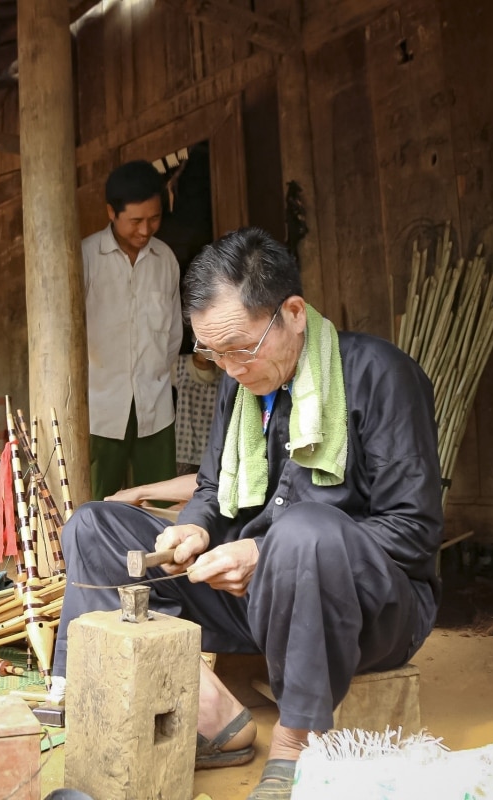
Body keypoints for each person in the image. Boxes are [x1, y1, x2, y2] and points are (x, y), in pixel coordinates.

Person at [55, 229, 443, 800]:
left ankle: (295, 744)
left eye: (241, 347)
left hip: (367, 610)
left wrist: (266, 551)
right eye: (214, 353)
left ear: (292, 312)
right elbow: (213, 487)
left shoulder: (379, 374)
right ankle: (212, 717)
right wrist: (193, 525)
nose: (231, 367)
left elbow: (412, 533)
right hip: (256, 598)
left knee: (305, 531)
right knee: (94, 525)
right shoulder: (241, 387)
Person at [82, 160, 182, 500]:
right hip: (99, 408)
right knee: (93, 502)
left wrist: (152, 376)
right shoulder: (86, 257)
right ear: (112, 212)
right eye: (135, 221)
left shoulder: (165, 259)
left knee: (162, 506)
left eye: (154, 218)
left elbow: (171, 336)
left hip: (154, 407)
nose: (145, 229)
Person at [173, 351, 221, 474]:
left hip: (213, 447)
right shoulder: (179, 364)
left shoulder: (224, 368)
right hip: (184, 446)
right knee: (180, 490)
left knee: (209, 489)